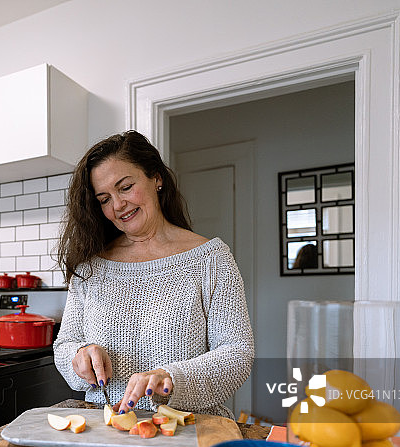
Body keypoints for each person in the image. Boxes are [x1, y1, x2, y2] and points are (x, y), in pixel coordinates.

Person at [53, 130, 254, 418]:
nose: (118, 205)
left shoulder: (211, 259)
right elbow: (64, 345)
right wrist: (78, 356)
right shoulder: (90, 267)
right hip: (106, 432)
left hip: (190, 431)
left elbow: (237, 354)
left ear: (156, 178)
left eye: (125, 187)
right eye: (104, 199)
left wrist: (171, 379)